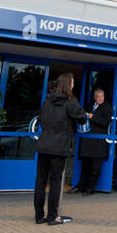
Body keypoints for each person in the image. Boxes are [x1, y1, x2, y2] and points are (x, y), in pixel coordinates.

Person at [33, 72, 86, 225]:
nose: (74, 84)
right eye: (73, 82)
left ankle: (38, 216)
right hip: (59, 145)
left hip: (43, 144)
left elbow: (41, 118)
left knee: (41, 180)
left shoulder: (47, 101)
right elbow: (81, 117)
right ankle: (52, 216)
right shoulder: (70, 101)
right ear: (68, 84)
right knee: (55, 181)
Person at [75, 88, 111, 195]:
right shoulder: (89, 106)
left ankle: (90, 189)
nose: (100, 98)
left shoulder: (107, 108)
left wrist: (93, 117)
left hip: (98, 142)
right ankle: (80, 187)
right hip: (87, 141)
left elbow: (105, 122)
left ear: (104, 97)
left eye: (102, 96)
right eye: (98, 96)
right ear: (94, 97)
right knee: (85, 167)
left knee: (95, 168)